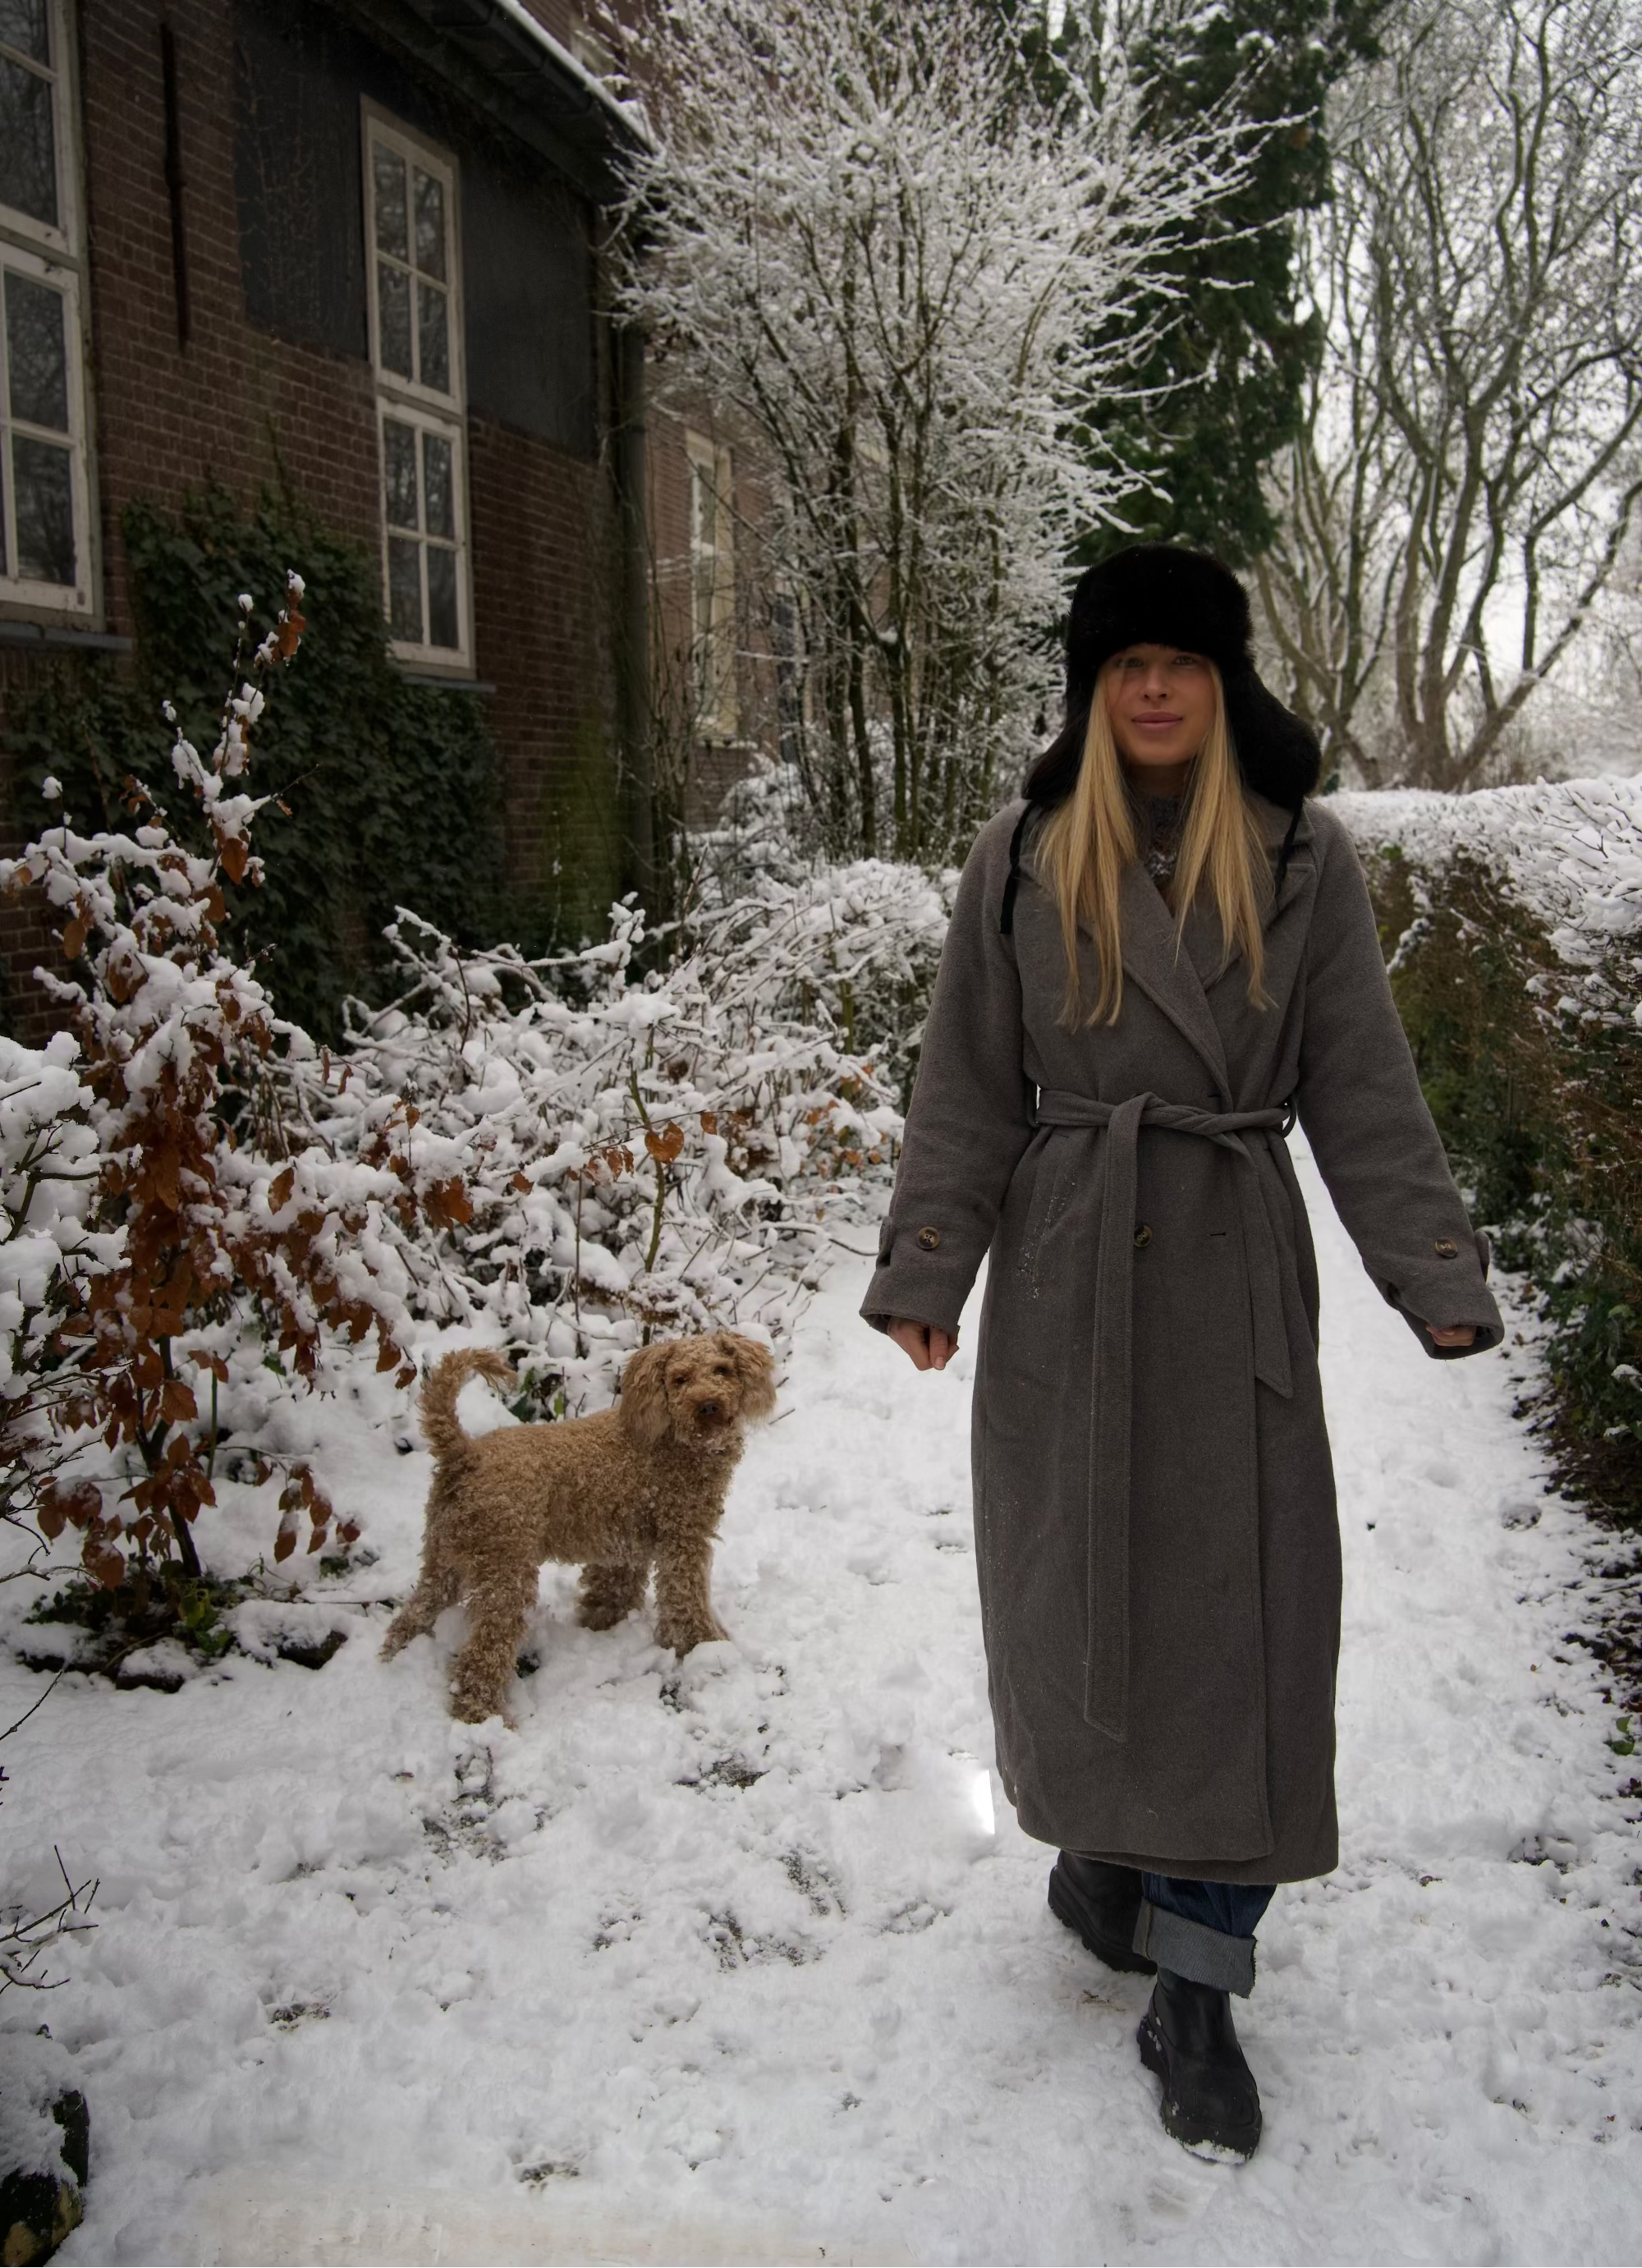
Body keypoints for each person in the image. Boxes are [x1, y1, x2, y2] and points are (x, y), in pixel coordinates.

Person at [862, 544, 1502, 2163]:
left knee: (1241, 1621)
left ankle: (1198, 1980)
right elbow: (968, 1081)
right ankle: (1103, 1853)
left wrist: (1426, 1261)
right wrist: (934, 1257)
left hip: (1224, 1269)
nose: (1152, 687)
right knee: (1076, 1592)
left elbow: (1358, 1079)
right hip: (1069, 1270)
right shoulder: (1019, 856)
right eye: (1125, 661)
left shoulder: (1301, 861)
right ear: (1092, 687)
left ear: (1224, 687)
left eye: (1184, 662)